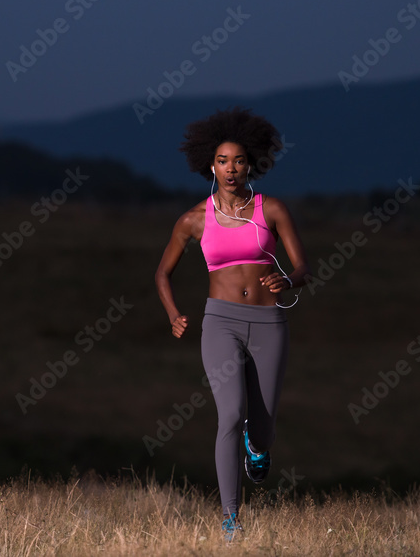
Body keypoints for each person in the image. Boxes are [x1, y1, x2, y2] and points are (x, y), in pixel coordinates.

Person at [153, 107, 310, 541]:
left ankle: (257, 447)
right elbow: (162, 273)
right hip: (220, 322)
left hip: (269, 322)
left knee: (263, 426)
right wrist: (173, 314)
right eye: (223, 161)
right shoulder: (193, 220)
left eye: (239, 161)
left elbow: (304, 267)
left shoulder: (271, 209)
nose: (231, 168)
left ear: (250, 164)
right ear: (210, 165)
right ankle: (230, 520)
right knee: (230, 414)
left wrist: (288, 280)